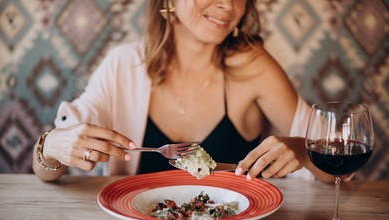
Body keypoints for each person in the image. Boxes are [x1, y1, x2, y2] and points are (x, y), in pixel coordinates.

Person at [33, 0, 332, 182]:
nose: (228, 5)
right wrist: (52, 147)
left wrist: (303, 150)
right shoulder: (122, 66)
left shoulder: (254, 66)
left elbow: (336, 165)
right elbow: (48, 170)